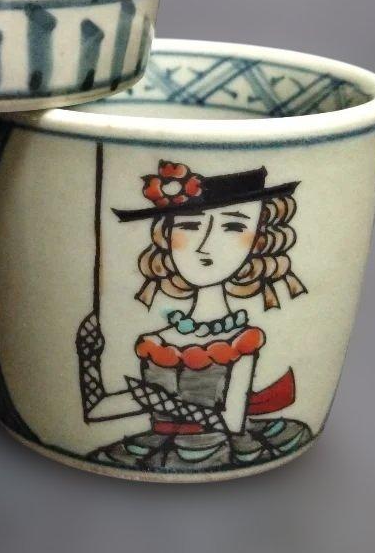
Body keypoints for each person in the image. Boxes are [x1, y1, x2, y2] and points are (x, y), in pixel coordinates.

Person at [77, 161, 312, 473]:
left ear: (259, 239)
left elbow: (232, 420)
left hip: (217, 447)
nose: (205, 245)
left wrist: (161, 403)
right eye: (189, 226)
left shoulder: (241, 342)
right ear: (166, 236)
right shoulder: (155, 342)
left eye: (233, 227)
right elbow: (98, 410)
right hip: (155, 447)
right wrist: (87, 355)